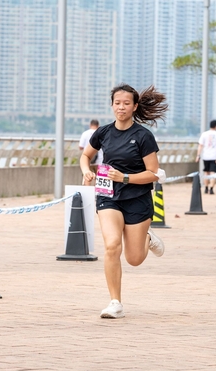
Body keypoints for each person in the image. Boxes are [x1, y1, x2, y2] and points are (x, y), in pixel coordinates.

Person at [80, 84, 167, 319]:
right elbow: (86, 155)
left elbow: (154, 173)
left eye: (126, 103)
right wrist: (86, 170)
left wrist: (125, 177)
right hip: (108, 195)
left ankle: (147, 238)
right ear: (112, 105)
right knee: (111, 246)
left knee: (134, 259)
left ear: (135, 106)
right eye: (117, 103)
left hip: (137, 198)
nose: (121, 107)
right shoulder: (103, 132)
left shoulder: (143, 136)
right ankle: (115, 302)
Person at [196, 120, 216, 194]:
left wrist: (198, 155)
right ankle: (211, 189)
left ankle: (206, 188)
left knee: (206, 172)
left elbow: (200, 145)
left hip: (206, 156)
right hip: (214, 156)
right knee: (213, 173)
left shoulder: (204, 134)